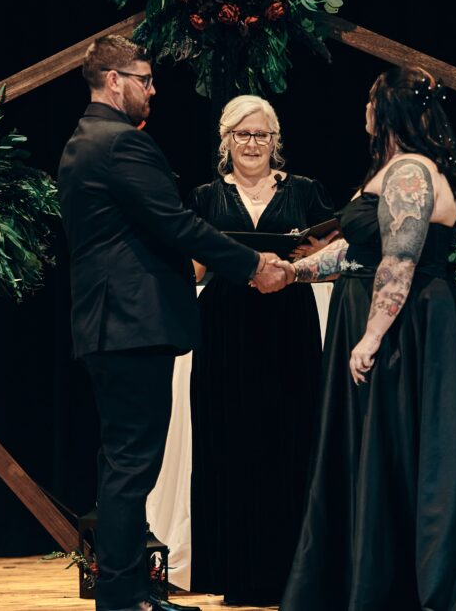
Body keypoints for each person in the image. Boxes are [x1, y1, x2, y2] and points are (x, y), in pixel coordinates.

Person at [276, 66, 456, 610]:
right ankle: (381, 574)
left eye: (369, 100)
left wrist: (372, 335)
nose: (363, 111)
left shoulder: (410, 172)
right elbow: (359, 251)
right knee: (387, 450)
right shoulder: (394, 170)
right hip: (394, 322)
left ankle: (410, 583)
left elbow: (400, 260)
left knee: (411, 446)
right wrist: (295, 272)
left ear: (387, 112)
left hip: (408, 331)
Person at [57, 35, 287, 611]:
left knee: (123, 463)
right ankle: (122, 595)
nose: (153, 88)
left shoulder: (81, 141)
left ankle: (130, 590)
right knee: (132, 466)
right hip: (133, 325)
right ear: (115, 80)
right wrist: (253, 264)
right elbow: (178, 226)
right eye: (146, 78)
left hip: (109, 325)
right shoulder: (120, 145)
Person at [186, 95, 335, 605]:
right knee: (230, 443)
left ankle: (293, 574)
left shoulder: (306, 191)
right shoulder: (205, 197)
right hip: (225, 331)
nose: (252, 145)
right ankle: (235, 575)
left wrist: (310, 257)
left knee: (288, 441)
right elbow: (195, 270)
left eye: (262, 135)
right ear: (225, 140)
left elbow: (336, 255)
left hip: (287, 331)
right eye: (242, 135)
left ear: (276, 141)